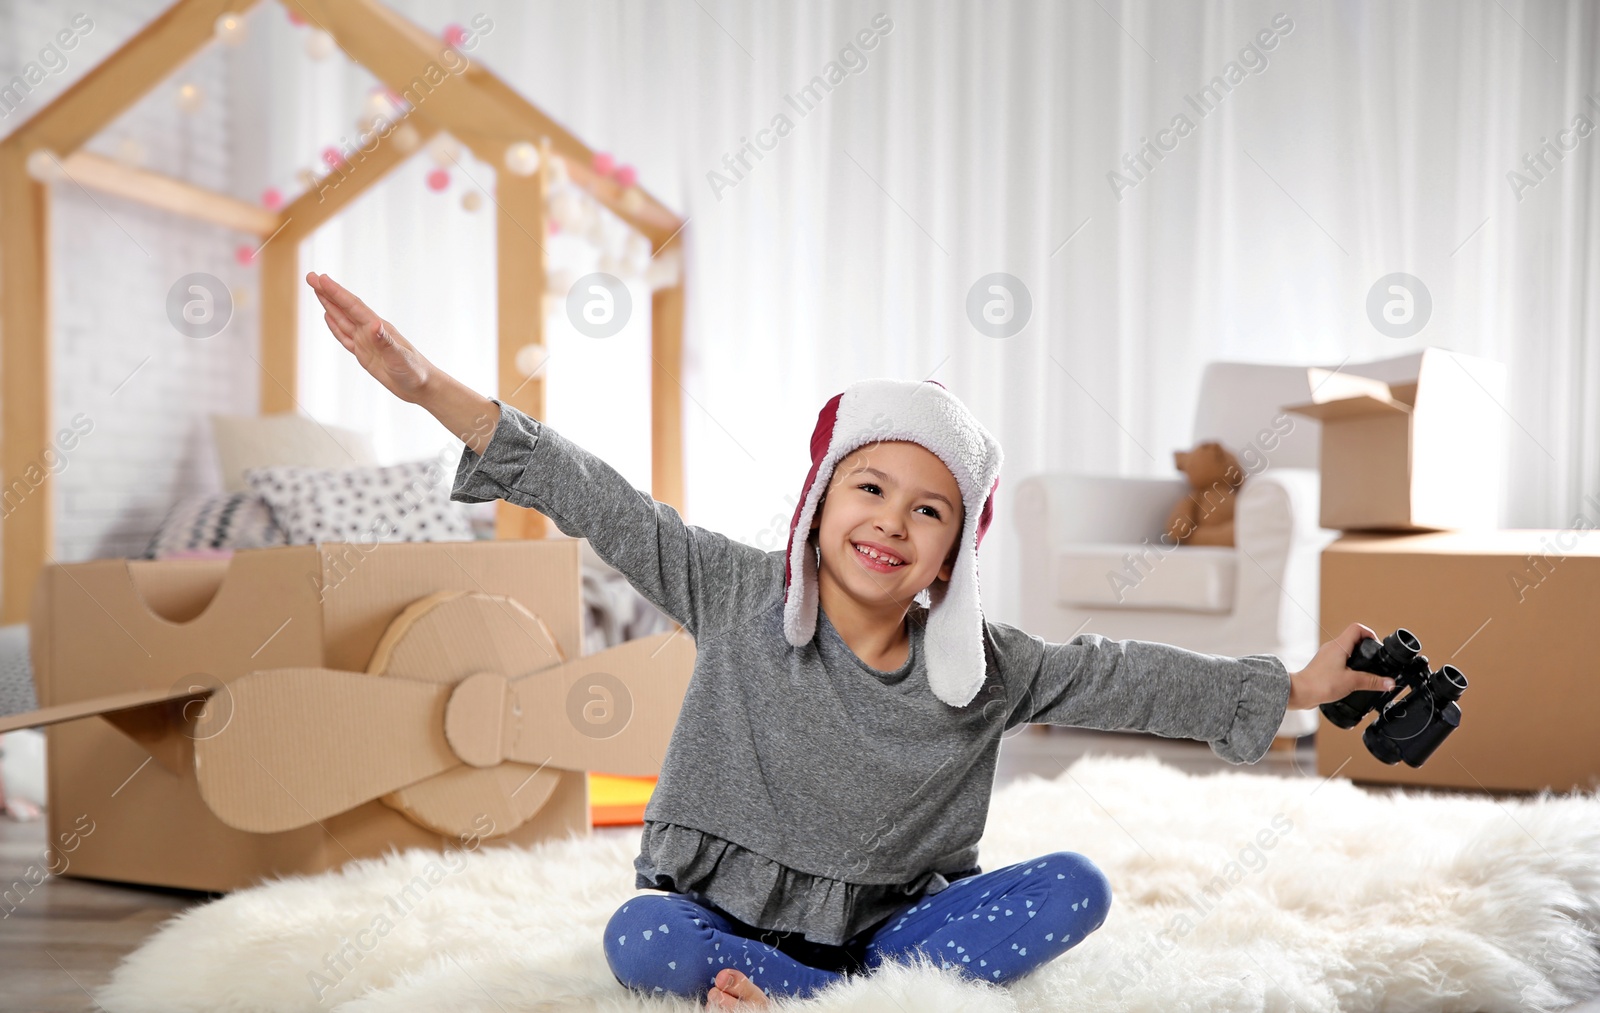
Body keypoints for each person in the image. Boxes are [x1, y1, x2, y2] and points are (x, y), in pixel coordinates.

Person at [305, 272, 1395, 1009]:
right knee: (639, 939)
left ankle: (835, 989)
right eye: (869, 486)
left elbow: (1126, 675)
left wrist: (1297, 681)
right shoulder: (733, 589)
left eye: (929, 509)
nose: (891, 520)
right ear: (821, 502)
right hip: (724, 913)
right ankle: (791, 986)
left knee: (1076, 884)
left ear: (953, 550)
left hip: (891, 927)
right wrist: (431, 389)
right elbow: (603, 499)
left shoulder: (985, 666)